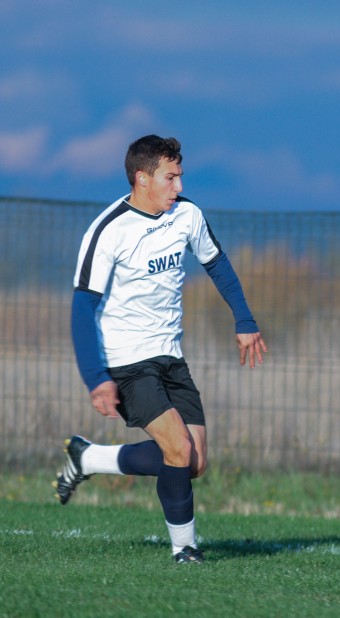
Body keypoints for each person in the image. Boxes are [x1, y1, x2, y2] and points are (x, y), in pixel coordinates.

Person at [56, 134, 267, 564]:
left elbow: (217, 263)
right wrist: (96, 378)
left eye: (179, 176)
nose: (179, 186)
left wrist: (244, 320)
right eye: (170, 178)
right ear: (142, 178)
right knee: (178, 449)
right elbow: (82, 308)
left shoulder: (187, 215)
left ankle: (89, 457)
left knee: (194, 462)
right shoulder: (108, 231)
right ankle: (184, 549)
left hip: (171, 356)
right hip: (127, 362)